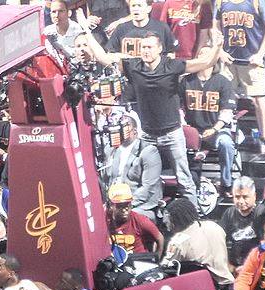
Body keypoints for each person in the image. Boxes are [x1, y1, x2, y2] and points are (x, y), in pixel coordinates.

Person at [86, 29, 224, 210]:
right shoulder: (133, 66)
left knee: (184, 179)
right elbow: (103, 57)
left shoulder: (172, 66)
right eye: (143, 47)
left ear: (160, 49)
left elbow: (206, 62)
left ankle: (193, 219)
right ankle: (149, 213)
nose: (145, 51)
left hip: (172, 134)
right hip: (148, 136)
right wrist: (86, 31)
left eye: (149, 47)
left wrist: (218, 45)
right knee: (144, 179)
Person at [180, 46, 237, 196]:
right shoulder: (186, 81)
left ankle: (226, 184)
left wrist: (214, 129)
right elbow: (177, 107)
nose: (204, 57)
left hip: (215, 129)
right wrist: (186, 127)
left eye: (208, 54)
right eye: (201, 54)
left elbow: (227, 111)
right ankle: (186, 184)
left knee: (226, 143)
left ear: (214, 59)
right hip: (191, 130)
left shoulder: (223, 82)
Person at [215, 0, 265, 152]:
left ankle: (264, 138)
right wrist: (220, 51)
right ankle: (224, 132)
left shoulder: (258, 2)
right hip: (229, 60)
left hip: (251, 60)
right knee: (224, 99)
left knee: (259, 99)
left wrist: (260, 54)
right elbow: (215, 26)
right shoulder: (221, 2)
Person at [163, 197, 235, 286]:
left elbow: (166, 269)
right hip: (229, 284)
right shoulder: (214, 226)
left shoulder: (178, 241)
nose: (166, 224)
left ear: (174, 220)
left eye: (167, 222)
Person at [104, 115, 162, 221]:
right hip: (113, 201)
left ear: (135, 131)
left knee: (125, 217)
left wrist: (123, 204)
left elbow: (148, 188)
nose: (121, 132)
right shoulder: (111, 150)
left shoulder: (148, 151)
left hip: (137, 204)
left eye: (125, 128)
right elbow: (105, 180)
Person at [219, 176, 265, 269]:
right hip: (234, 266)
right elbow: (219, 241)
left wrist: (249, 267)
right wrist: (227, 264)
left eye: (245, 197)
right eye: (237, 197)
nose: (241, 201)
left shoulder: (263, 214)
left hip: (258, 265)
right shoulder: (229, 213)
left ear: (254, 196)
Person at [106, 183, 164, 254]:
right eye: (120, 205)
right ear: (110, 205)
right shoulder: (103, 220)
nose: (125, 209)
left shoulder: (140, 220)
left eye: (127, 204)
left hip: (137, 260)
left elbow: (159, 238)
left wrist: (156, 259)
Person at [106, 0, 177, 57]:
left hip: (155, 73)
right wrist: (124, 57)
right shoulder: (121, 28)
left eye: (139, 6)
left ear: (149, 9)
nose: (136, 9)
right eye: (133, 6)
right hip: (129, 73)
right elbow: (111, 54)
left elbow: (171, 53)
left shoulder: (162, 28)